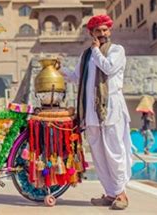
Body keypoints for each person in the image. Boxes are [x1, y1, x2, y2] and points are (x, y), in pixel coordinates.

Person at [60, 14, 131, 210]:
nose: (102, 34)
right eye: (98, 31)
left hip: (110, 110)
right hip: (91, 112)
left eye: (105, 30)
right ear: (90, 33)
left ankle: (121, 194)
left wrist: (96, 50)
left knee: (114, 153)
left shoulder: (117, 50)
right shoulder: (86, 55)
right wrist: (59, 70)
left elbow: (108, 68)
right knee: (99, 156)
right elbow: (77, 77)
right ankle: (110, 193)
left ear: (109, 31)